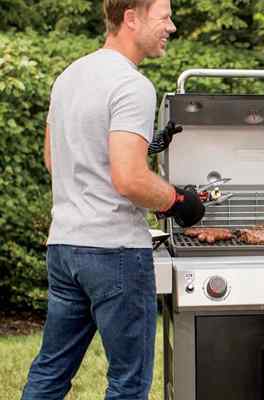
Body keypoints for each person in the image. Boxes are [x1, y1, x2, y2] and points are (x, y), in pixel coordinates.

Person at [21, 0, 205, 399]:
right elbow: (130, 179)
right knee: (128, 382)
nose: (171, 27)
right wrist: (179, 201)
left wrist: (147, 147)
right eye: (164, 16)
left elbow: (55, 159)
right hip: (114, 253)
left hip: (65, 247)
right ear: (131, 18)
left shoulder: (69, 76)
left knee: (51, 370)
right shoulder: (131, 84)